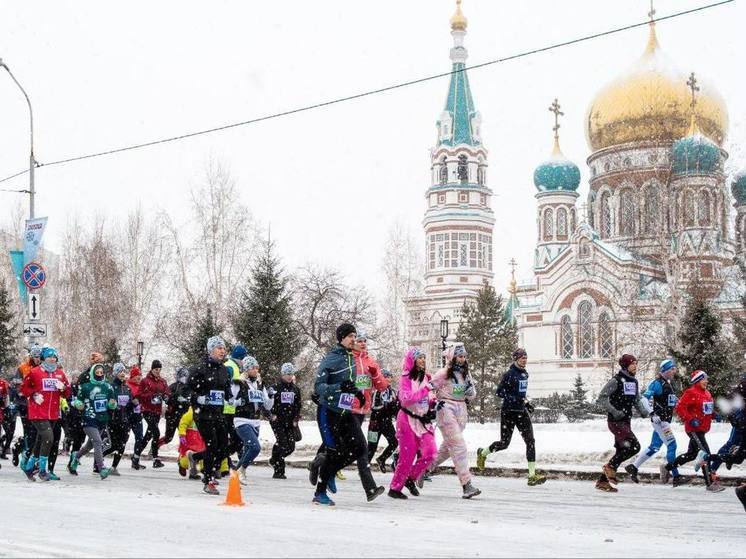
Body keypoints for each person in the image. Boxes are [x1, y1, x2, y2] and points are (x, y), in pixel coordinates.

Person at [312, 323, 384, 506]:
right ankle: (320, 492)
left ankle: (325, 470)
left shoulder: (351, 358)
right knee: (334, 451)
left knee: (360, 447)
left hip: (346, 411)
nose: (354, 339)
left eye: (355, 336)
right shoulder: (332, 359)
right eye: (351, 336)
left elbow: (350, 383)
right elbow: (319, 387)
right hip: (328, 411)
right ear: (342, 338)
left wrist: (357, 392)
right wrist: (339, 388)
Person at [477, 348, 546, 486]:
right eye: (522, 358)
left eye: (526, 357)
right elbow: (500, 392)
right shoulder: (509, 374)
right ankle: (483, 453)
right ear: (516, 359)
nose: (524, 360)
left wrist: (526, 403)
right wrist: (515, 399)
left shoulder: (525, 374)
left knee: (530, 441)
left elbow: (521, 394)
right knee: (504, 444)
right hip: (508, 411)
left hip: (521, 411)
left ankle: (532, 476)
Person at [427, 344, 480, 498]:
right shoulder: (443, 373)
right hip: (446, 409)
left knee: (447, 449)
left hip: (461, 410)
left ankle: (422, 470)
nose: (463, 359)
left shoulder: (466, 374)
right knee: (459, 447)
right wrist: (434, 401)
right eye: (460, 356)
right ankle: (467, 485)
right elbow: (427, 388)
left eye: (464, 356)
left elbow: (472, 394)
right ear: (452, 357)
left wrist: (471, 393)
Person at [594, 354, 650, 492]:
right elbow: (602, 397)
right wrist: (614, 411)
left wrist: (643, 412)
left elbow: (636, 400)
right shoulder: (616, 380)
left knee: (622, 450)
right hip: (615, 421)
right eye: (633, 364)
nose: (635, 366)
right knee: (634, 447)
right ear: (625, 365)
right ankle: (609, 467)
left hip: (626, 420)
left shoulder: (634, 382)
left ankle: (602, 481)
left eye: (636, 363)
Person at [387, 347, 437, 500]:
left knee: (431, 452)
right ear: (412, 360)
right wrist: (426, 390)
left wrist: (433, 403)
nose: (422, 360)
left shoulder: (427, 377)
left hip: (422, 422)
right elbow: (406, 399)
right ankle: (395, 488)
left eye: (423, 357)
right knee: (406, 458)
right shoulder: (406, 377)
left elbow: (428, 398)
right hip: (407, 420)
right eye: (419, 357)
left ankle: (411, 478)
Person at [662, 370, 724, 492]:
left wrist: (714, 415)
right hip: (694, 429)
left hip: (703, 429)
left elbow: (706, 410)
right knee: (705, 453)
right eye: (703, 379)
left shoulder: (707, 393)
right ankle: (710, 483)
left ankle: (667, 468)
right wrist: (690, 419)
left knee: (691, 454)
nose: (706, 381)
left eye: (706, 379)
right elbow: (680, 407)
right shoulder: (691, 392)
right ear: (697, 380)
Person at [188, 336, 232, 495]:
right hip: (203, 414)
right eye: (219, 348)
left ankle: (195, 457)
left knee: (224, 447)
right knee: (212, 446)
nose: (222, 351)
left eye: (223, 348)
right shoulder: (200, 368)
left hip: (218, 412)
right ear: (210, 350)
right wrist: (197, 398)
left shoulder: (223, 369)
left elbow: (225, 388)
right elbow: (186, 389)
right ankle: (208, 480)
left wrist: (230, 397)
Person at [625, 359, 681, 484]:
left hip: (664, 421)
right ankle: (676, 476)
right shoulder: (657, 383)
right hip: (660, 421)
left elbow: (671, 401)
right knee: (672, 445)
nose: (674, 371)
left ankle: (633, 467)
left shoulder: (668, 383)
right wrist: (652, 413)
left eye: (674, 368)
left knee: (654, 447)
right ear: (665, 370)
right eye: (672, 369)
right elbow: (644, 398)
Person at [19, 346, 70, 481]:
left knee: (41, 440)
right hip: (37, 411)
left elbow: (67, 393)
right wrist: (34, 395)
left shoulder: (60, 373)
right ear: (43, 358)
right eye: (49, 356)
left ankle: (30, 467)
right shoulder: (35, 372)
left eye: (54, 357)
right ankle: (42, 470)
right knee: (48, 438)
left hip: (52, 413)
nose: (52, 359)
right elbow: (24, 388)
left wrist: (64, 388)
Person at [68, 363, 117, 479]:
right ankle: (101, 468)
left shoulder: (108, 387)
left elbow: (112, 402)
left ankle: (76, 456)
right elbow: (78, 400)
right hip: (89, 419)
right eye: (97, 373)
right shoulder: (85, 387)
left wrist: (112, 404)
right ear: (92, 374)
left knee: (89, 445)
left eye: (101, 373)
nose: (99, 375)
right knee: (98, 441)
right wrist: (78, 404)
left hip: (102, 420)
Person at [232, 355, 273, 485]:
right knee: (255, 447)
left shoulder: (260, 384)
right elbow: (230, 400)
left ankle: (236, 473)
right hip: (241, 420)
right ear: (247, 369)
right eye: (253, 368)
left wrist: (271, 396)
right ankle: (242, 470)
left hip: (255, 421)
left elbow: (267, 405)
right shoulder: (238, 382)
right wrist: (240, 401)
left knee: (248, 449)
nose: (256, 370)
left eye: (257, 367)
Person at [133, 360, 170, 469]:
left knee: (148, 435)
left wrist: (166, 396)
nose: (158, 371)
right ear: (152, 369)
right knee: (156, 433)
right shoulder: (145, 381)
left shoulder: (163, 381)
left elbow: (166, 392)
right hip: (147, 410)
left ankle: (135, 457)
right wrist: (151, 396)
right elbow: (139, 395)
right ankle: (155, 459)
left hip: (157, 411)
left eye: (159, 369)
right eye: (156, 369)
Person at [269, 362, 302, 479]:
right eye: (287, 374)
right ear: (282, 374)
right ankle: (279, 470)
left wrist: (296, 418)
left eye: (291, 374)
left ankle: (274, 458)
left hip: (290, 421)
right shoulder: (276, 388)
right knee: (282, 443)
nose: (289, 376)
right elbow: (269, 403)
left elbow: (298, 405)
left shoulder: (295, 389)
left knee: (291, 447)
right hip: (277, 420)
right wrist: (272, 414)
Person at [102, 363, 133, 475]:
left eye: (124, 371)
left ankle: (114, 467)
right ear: (115, 373)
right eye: (120, 371)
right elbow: (105, 402)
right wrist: (112, 406)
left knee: (122, 445)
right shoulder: (110, 387)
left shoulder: (127, 388)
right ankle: (99, 459)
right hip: (112, 420)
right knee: (113, 445)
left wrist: (133, 404)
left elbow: (130, 404)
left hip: (124, 421)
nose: (122, 374)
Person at [222, 345, 248, 471]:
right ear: (240, 358)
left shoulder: (234, 366)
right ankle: (222, 459)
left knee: (234, 438)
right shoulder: (230, 366)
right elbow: (226, 385)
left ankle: (226, 459)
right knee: (235, 438)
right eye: (244, 358)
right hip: (227, 409)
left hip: (232, 408)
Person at [367, 369, 399, 472]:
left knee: (394, 442)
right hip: (375, 423)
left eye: (390, 377)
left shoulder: (392, 391)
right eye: (386, 377)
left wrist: (396, 411)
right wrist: (387, 406)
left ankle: (382, 459)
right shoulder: (377, 391)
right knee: (372, 446)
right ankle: (364, 468)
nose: (389, 379)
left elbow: (396, 409)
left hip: (387, 423)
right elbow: (374, 407)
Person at [158, 367, 192, 449]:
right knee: (168, 437)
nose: (184, 378)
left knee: (184, 437)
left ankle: (183, 454)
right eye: (182, 375)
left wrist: (185, 401)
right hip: (172, 416)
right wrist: (175, 398)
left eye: (186, 376)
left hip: (184, 417)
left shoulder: (189, 388)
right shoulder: (173, 386)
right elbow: (166, 397)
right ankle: (155, 447)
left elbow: (192, 400)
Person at [126, 366, 146, 470]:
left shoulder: (141, 386)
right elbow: (125, 400)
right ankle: (114, 462)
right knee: (123, 439)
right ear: (133, 376)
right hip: (128, 416)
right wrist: (132, 402)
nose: (139, 377)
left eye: (140, 375)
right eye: (137, 375)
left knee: (140, 438)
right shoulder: (127, 385)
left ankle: (136, 460)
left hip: (138, 416)